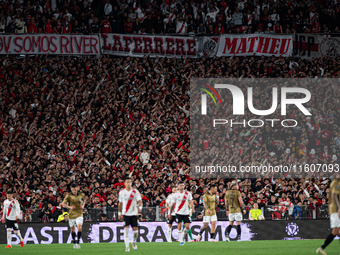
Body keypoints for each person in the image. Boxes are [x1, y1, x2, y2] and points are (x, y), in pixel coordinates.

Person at [316, 177, 340, 255]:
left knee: (336, 231)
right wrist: (339, 208)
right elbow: (334, 196)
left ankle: (321, 248)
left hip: (336, 209)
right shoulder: (336, 183)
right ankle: (321, 248)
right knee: (335, 231)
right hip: (335, 209)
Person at [118, 177, 142, 252]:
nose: (129, 183)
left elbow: (140, 201)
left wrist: (140, 209)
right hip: (125, 214)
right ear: (124, 183)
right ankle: (127, 247)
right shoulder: (122, 192)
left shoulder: (135, 192)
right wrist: (119, 213)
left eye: (130, 182)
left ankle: (133, 241)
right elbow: (120, 203)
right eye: (127, 182)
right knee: (126, 231)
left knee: (136, 232)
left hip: (134, 214)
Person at [61, 184, 86, 249]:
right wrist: (70, 207)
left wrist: (83, 206)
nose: (74, 191)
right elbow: (63, 204)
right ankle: (74, 241)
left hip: (79, 213)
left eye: (75, 190)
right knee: (72, 230)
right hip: (72, 214)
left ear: (77, 188)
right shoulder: (68, 196)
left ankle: (78, 241)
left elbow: (85, 199)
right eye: (72, 190)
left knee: (79, 227)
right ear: (71, 189)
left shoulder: (81, 194)